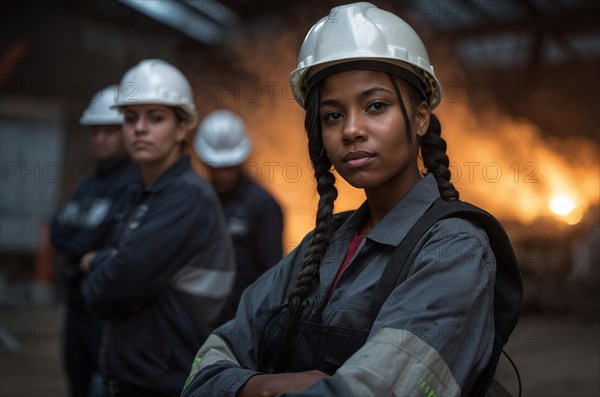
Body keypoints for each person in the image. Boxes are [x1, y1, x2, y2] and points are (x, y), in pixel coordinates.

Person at [182, 3, 522, 397]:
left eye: (376, 106)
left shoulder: (454, 249)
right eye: (332, 115)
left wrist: (245, 385)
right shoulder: (320, 246)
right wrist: (273, 385)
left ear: (420, 117)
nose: (352, 130)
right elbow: (202, 371)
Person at [81, 59, 236, 397]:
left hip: (160, 381)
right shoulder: (146, 191)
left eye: (156, 118)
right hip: (130, 376)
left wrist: (97, 264)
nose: (139, 128)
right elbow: (122, 278)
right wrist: (115, 268)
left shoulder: (185, 199)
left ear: (182, 128)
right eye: (130, 117)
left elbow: (106, 291)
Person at [50, 84, 135, 397]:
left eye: (109, 131)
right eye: (95, 131)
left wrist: (76, 245)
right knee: (77, 384)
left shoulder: (132, 183)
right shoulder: (87, 184)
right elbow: (58, 229)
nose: (100, 138)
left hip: (104, 314)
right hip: (74, 310)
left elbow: (98, 237)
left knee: (103, 387)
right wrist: (79, 247)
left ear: (126, 132)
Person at [194, 109, 284, 319]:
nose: (223, 174)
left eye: (230, 166)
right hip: (200, 315)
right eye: (216, 167)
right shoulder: (198, 200)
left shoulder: (262, 205)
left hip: (242, 318)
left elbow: (271, 273)